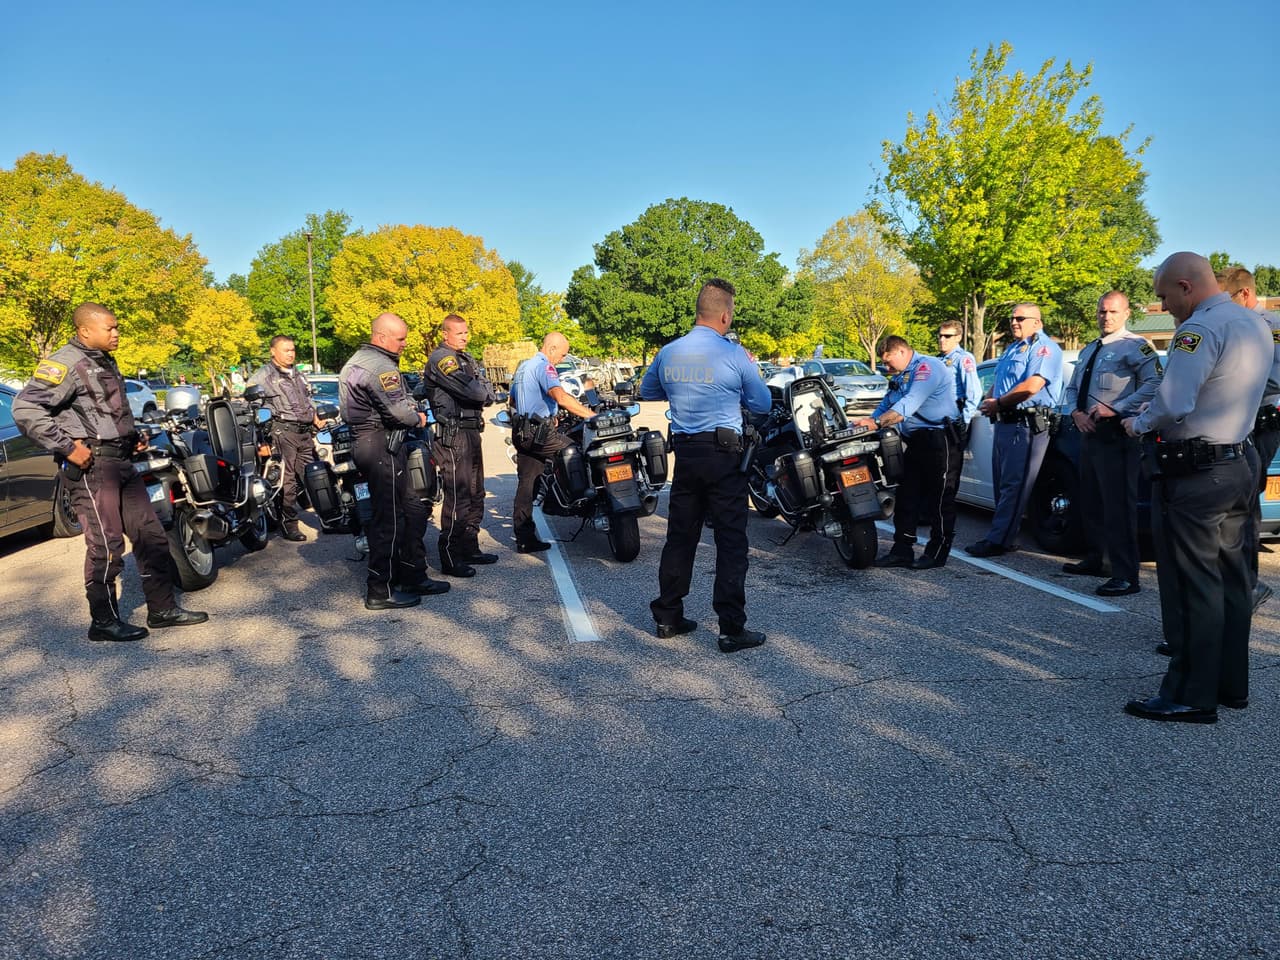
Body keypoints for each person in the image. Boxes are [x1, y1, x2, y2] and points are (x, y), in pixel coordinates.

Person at [1121, 252, 1271, 723]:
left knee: (1193, 585)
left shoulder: (1198, 330)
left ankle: (1191, 693)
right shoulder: (1254, 324)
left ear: (1185, 286)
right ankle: (1230, 684)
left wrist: (1137, 423)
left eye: (1165, 296)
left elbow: (1174, 403)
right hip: (1238, 461)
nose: (1164, 306)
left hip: (1197, 472)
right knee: (1232, 581)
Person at [13, 303, 207, 642]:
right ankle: (103, 621)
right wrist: (67, 447)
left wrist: (135, 436)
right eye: (110, 328)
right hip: (92, 468)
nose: (116, 333)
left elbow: (104, 414)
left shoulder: (103, 360)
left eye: (117, 327)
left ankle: (162, 609)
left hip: (122, 462)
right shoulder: (65, 363)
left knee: (151, 535)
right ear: (85, 330)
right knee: (106, 543)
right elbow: (26, 408)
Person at [640, 279, 772, 653]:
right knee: (730, 541)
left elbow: (648, 391)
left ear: (698, 311)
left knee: (681, 537)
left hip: (686, 454)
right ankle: (731, 629)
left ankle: (668, 617)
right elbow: (762, 404)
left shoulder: (669, 352)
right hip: (724, 457)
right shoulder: (734, 354)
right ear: (725, 315)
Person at [339, 312, 449, 609]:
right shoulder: (380, 366)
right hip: (380, 444)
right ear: (382, 337)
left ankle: (411, 575)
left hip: (369, 442)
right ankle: (380, 590)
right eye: (400, 339)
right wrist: (418, 418)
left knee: (407, 510)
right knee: (388, 520)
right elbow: (401, 411)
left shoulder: (358, 360)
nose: (404, 344)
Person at [1060, 292, 1163, 596]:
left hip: (1118, 434)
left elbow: (1155, 383)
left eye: (1113, 312)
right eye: (1102, 311)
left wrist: (1117, 408)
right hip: (1089, 432)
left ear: (1127, 313)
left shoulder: (1136, 346)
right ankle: (1098, 559)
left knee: (1119, 507)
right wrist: (1076, 413)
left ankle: (1126, 575)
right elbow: (1073, 388)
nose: (1106, 317)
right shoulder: (1090, 348)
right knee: (1091, 501)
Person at [966, 304, 1063, 557]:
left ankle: (998, 540)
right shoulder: (1013, 348)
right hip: (1005, 422)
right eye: (1012, 318)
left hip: (1026, 424)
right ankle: (1005, 535)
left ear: (1037, 322)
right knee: (1002, 483)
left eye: (1020, 318)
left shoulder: (1043, 348)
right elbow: (999, 382)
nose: (1014, 322)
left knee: (1013, 485)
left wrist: (998, 403)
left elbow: (1032, 386)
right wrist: (989, 401)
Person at [855, 336, 960, 569]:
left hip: (939, 439)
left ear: (902, 352)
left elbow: (908, 404)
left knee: (940, 499)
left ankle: (937, 552)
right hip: (915, 441)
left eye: (889, 362)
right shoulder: (901, 374)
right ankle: (902, 550)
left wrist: (877, 423)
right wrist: (866, 423)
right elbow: (888, 404)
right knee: (906, 496)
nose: (886, 367)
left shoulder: (926, 368)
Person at [1223, 267, 1280, 608]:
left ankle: (1249, 584)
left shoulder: (1272, 325)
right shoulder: (1235, 323)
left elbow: (1276, 376)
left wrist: (1232, 387)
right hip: (1237, 420)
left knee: (1247, 502)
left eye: (1227, 298)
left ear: (1244, 294)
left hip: (1261, 421)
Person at [425, 313, 497, 577]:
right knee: (459, 494)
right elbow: (476, 391)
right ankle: (450, 554)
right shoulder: (442, 359)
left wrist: (481, 391)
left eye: (466, 332)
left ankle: (469, 546)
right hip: (453, 436)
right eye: (459, 333)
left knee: (477, 491)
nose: (465, 337)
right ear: (445, 334)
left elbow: (488, 392)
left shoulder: (465, 358)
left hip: (471, 431)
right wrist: (480, 391)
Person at [510, 332, 596, 552]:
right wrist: (592, 416)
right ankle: (577, 504)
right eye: (563, 354)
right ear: (551, 348)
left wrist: (546, 412)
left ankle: (524, 538)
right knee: (574, 453)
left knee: (527, 484)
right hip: (540, 433)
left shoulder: (523, 368)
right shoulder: (545, 366)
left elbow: (513, 400)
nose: (562, 359)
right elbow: (561, 396)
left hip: (522, 431)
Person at [248, 335, 324, 542]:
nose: (291, 354)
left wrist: (316, 414)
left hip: (305, 433)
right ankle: (288, 524)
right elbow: (251, 408)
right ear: (273, 352)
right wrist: (261, 436)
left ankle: (329, 519)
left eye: (292, 349)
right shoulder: (262, 377)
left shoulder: (298, 374)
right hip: (282, 433)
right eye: (286, 350)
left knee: (314, 476)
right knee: (287, 482)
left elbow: (308, 399)